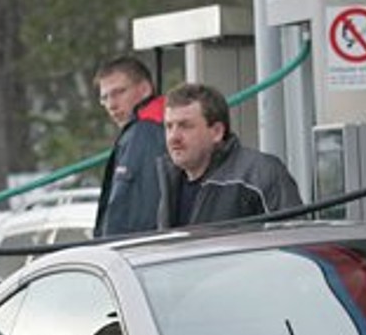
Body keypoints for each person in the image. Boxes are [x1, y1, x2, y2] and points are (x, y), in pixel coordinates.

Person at [157, 82, 302, 228]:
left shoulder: (261, 174)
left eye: (185, 126)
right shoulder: (168, 181)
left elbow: (295, 240)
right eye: (169, 126)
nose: (173, 137)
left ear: (217, 132)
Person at [92, 54, 166, 238]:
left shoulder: (145, 132)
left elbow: (136, 212)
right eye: (105, 98)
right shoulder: (159, 123)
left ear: (145, 89)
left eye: (118, 92)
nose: (111, 105)